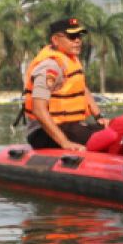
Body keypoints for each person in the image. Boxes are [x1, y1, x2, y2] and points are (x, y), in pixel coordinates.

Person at [21, 17, 104, 151]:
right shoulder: (50, 66)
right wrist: (65, 143)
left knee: (116, 128)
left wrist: (99, 117)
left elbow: (83, 90)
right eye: (71, 36)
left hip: (69, 125)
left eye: (79, 36)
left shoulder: (71, 60)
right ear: (55, 40)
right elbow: (39, 109)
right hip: (43, 132)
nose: (77, 40)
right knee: (107, 138)